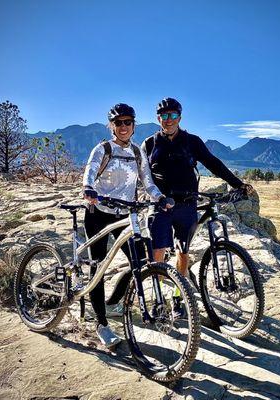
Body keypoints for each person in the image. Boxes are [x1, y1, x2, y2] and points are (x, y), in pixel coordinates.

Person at [142, 97, 254, 318]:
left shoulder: (192, 141)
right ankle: (157, 298)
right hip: (161, 205)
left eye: (173, 115)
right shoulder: (150, 144)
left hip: (187, 204)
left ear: (180, 117)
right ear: (158, 119)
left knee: (183, 251)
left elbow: (213, 163)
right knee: (157, 254)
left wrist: (237, 184)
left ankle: (177, 296)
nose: (169, 120)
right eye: (164, 116)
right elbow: (142, 175)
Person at [82, 103, 172, 348]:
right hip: (98, 214)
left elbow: (148, 183)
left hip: (125, 216)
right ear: (111, 125)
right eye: (118, 122)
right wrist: (88, 189)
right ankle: (101, 324)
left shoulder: (136, 152)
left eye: (127, 122)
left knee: (141, 263)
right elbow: (89, 174)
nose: (123, 126)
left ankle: (115, 301)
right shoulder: (102, 149)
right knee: (97, 268)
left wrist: (160, 198)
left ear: (134, 125)